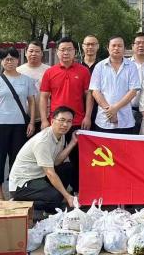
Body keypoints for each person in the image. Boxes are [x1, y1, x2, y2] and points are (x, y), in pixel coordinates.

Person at [39, 37, 91, 191]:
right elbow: (43, 97)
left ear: (75, 52)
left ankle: (78, 190)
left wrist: (87, 116)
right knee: (53, 158)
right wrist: (44, 120)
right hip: (56, 123)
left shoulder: (83, 71)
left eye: (69, 49)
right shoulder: (50, 72)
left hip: (77, 122)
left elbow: (89, 96)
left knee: (78, 158)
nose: (65, 53)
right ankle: (54, 191)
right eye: (62, 49)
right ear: (57, 52)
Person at [0, 48, 37, 200]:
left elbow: (32, 102)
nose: (9, 62)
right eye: (6, 59)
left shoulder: (27, 80)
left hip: (20, 126)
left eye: (12, 59)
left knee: (18, 159)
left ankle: (15, 192)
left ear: (17, 61)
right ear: (1, 62)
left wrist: (31, 122)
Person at [10, 106, 77, 212]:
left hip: (40, 176)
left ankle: (54, 197)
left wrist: (72, 143)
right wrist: (67, 195)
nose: (65, 124)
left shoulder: (61, 135)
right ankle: (18, 201)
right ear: (52, 121)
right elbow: (50, 173)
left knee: (67, 167)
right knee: (55, 198)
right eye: (62, 120)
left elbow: (56, 162)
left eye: (69, 121)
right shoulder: (43, 141)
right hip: (23, 184)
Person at [90, 35, 141, 134]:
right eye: (113, 45)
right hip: (103, 120)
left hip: (125, 121)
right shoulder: (99, 67)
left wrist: (115, 108)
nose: (116, 48)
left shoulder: (131, 66)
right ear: (108, 48)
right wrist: (110, 111)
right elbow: (95, 91)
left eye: (119, 46)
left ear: (124, 48)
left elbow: (133, 91)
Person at [17, 41, 51, 132]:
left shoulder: (49, 70)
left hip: (45, 118)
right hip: (22, 118)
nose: (33, 54)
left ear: (42, 53)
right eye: (31, 51)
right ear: (25, 53)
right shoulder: (18, 71)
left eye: (37, 51)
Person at [81, 35, 102, 128]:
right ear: (83, 46)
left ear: (98, 46)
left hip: (99, 110)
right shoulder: (76, 66)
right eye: (87, 44)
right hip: (79, 109)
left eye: (93, 44)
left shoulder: (103, 66)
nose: (90, 47)